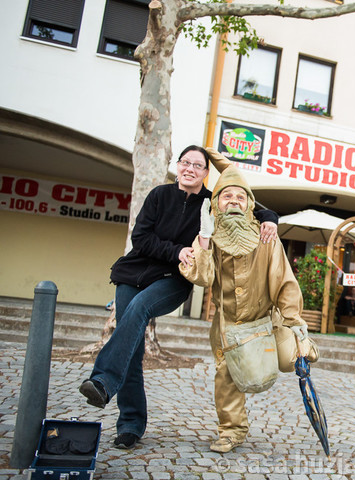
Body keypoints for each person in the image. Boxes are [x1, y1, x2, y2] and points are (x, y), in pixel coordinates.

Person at [78, 145, 279, 450]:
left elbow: (245, 202)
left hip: (174, 278)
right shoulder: (159, 195)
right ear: (178, 166)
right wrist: (176, 250)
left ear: (205, 173)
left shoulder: (209, 202)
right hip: (132, 274)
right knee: (131, 346)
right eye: (185, 163)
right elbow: (141, 238)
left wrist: (270, 217)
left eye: (198, 165)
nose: (190, 169)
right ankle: (130, 424)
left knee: (141, 308)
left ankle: (104, 380)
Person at [179, 148, 308, 453]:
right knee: (227, 375)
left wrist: (294, 323)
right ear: (216, 203)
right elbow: (202, 277)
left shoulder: (266, 237)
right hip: (226, 324)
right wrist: (205, 241)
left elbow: (284, 281)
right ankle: (231, 430)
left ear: (250, 204)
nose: (233, 202)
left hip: (262, 321)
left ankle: (303, 350)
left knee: (282, 362)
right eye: (227, 197)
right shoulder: (209, 237)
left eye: (240, 197)